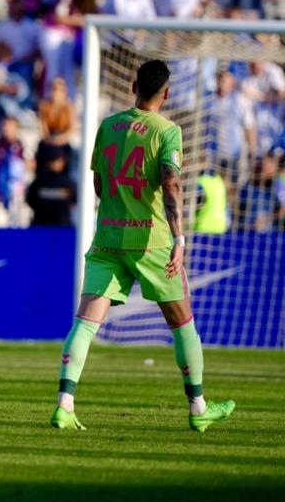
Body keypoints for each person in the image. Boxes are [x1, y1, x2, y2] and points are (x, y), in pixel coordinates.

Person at [52, 60, 236, 432]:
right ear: (166, 92)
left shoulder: (108, 126)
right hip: (151, 240)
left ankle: (64, 404)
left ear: (133, 85)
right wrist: (179, 237)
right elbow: (170, 185)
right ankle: (198, 408)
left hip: (108, 236)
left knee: (86, 321)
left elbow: (99, 184)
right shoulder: (167, 131)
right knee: (181, 321)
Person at [0, 115, 27, 227]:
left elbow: (27, 162)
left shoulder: (20, 145)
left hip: (13, 182)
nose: (6, 128)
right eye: (4, 125)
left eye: (9, 125)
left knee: (14, 204)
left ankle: (15, 226)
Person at [26, 143, 76, 227]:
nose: (57, 164)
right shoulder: (38, 183)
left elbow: (73, 202)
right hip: (42, 228)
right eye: (55, 160)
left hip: (62, 229)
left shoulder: (68, 183)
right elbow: (30, 200)